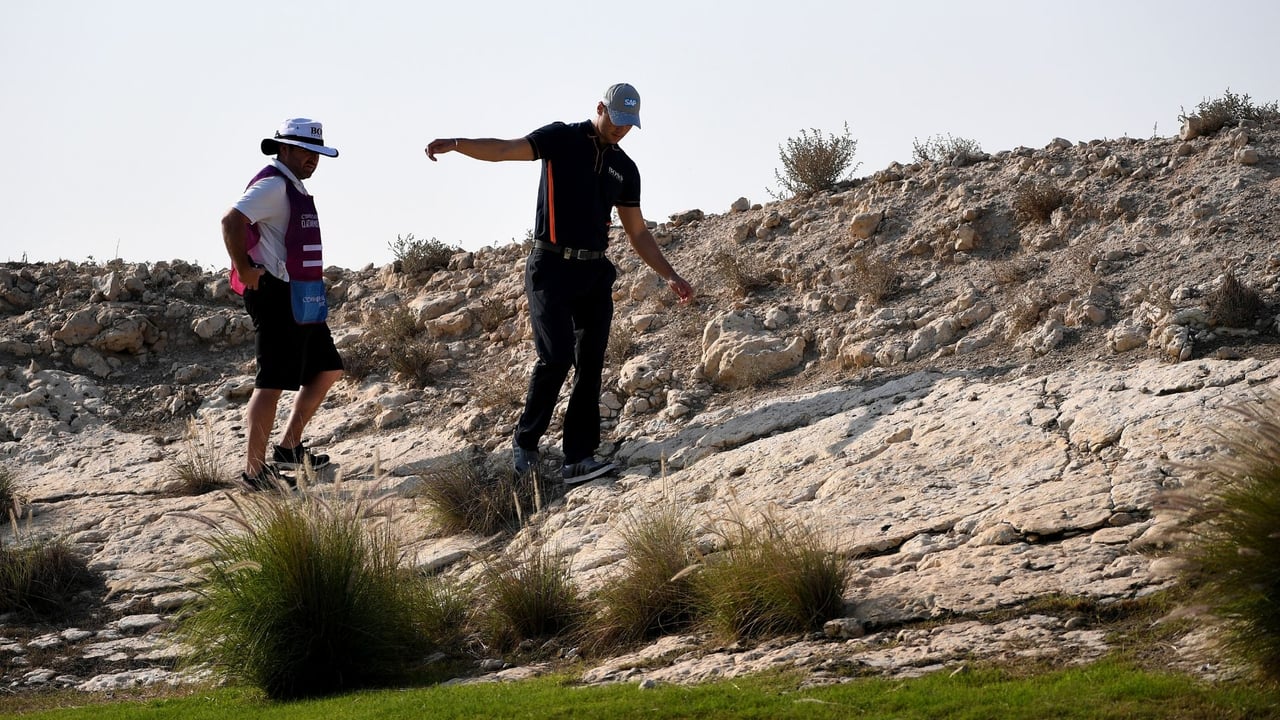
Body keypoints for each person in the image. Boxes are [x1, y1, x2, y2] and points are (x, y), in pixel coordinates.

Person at [425, 83, 694, 485]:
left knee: (590, 364)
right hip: (550, 267)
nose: (621, 129)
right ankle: (525, 443)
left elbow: (637, 232)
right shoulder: (561, 138)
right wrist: (458, 144)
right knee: (556, 357)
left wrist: (670, 274)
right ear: (600, 107)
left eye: (629, 124)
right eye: (617, 119)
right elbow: (504, 150)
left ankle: (578, 458)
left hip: (594, 273)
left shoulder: (625, 169)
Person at [221, 118, 345, 490]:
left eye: (317, 154)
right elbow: (231, 221)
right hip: (274, 293)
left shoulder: (292, 185)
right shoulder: (273, 185)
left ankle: (289, 448)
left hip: (300, 293)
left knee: (328, 368)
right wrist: (244, 268)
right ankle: (254, 473)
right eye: (307, 152)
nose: (313, 159)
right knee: (271, 383)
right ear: (285, 149)